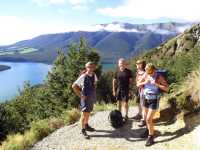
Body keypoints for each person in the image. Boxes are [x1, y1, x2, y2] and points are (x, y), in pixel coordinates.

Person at [137, 63, 168, 146]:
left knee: (148, 119)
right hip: (145, 98)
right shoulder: (146, 75)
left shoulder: (158, 77)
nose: (149, 74)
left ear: (154, 70)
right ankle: (148, 131)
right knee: (146, 117)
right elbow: (138, 84)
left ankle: (151, 137)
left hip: (154, 99)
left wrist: (156, 84)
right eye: (147, 72)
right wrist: (144, 82)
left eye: (150, 72)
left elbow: (167, 88)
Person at [72, 62, 98, 139]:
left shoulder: (94, 75)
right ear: (86, 68)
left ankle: (86, 125)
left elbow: (95, 83)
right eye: (88, 67)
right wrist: (81, 95)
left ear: (94, 68)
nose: (90, 69)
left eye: (92, 67)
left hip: (91, 97)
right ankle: (83, 130)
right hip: (85, 98)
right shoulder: (83, 76)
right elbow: (74, 86)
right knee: (84, 114)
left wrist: (93, 91)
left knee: (88, 112)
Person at [133, 60, 146, 127]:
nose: (136, 64)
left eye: (138, 63)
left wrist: (139, 84)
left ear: (142, 64)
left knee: (143, 105)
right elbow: (136, 79)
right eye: (136, 63)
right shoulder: (138, 72)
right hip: (139, 89)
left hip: (143, 90)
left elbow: (144, 81)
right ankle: (140, 114)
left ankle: (144, 120)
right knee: (138, 102)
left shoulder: (145, 72)